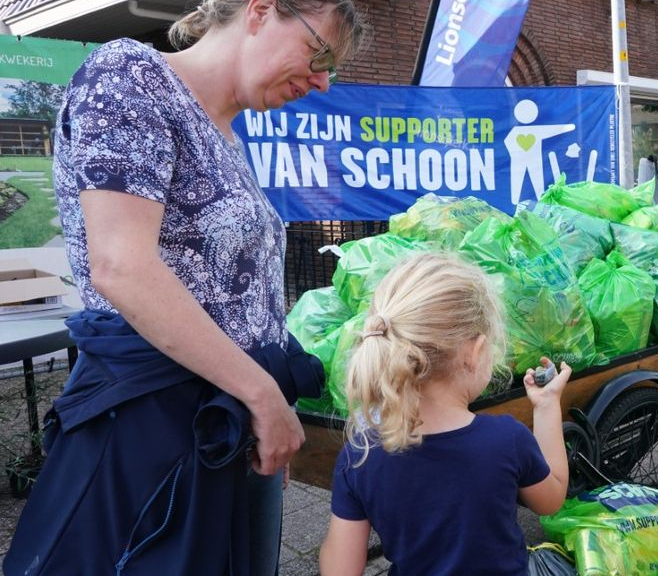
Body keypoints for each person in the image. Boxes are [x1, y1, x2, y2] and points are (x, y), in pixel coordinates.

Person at [3, 1, 364, 575]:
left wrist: (262, 405)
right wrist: (264, 398)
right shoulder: (130, 76)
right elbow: (123, 268)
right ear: (261, 10)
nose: (321, 82)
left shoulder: (225, 132)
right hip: (161, 424)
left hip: (226, 418)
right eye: (319, 53)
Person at [319, 253, 571, 576]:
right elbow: (551, 500)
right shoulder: (507, 441)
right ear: (474, 352)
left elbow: (340, 570)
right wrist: (548, 405)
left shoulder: (360, 455)